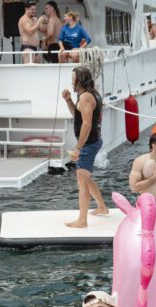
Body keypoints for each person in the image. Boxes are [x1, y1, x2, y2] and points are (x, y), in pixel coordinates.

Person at [61, 65, 109, 228]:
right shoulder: (87, 94)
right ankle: (102, 207)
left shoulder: (86, 97)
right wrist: (68, 100)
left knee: (81, 181)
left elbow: (87, 124)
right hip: (93, 141)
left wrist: (78, 148)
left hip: (89, 144)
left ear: (80, 80)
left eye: (73, 79)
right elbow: (78, 116)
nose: (72, 82)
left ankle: (82, 220)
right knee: (86, 178)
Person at [18, 0, 46, 64]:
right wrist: (39, 21)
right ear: (26, 9)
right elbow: (30, 32)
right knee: (29, 70)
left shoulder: (35, 19)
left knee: (38, 71)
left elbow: (43, 30)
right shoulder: (23, 19)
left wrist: (44, 21)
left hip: (36, 48)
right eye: (32, 9)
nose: (34, 11)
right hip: (27, 48)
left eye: (35, 9)